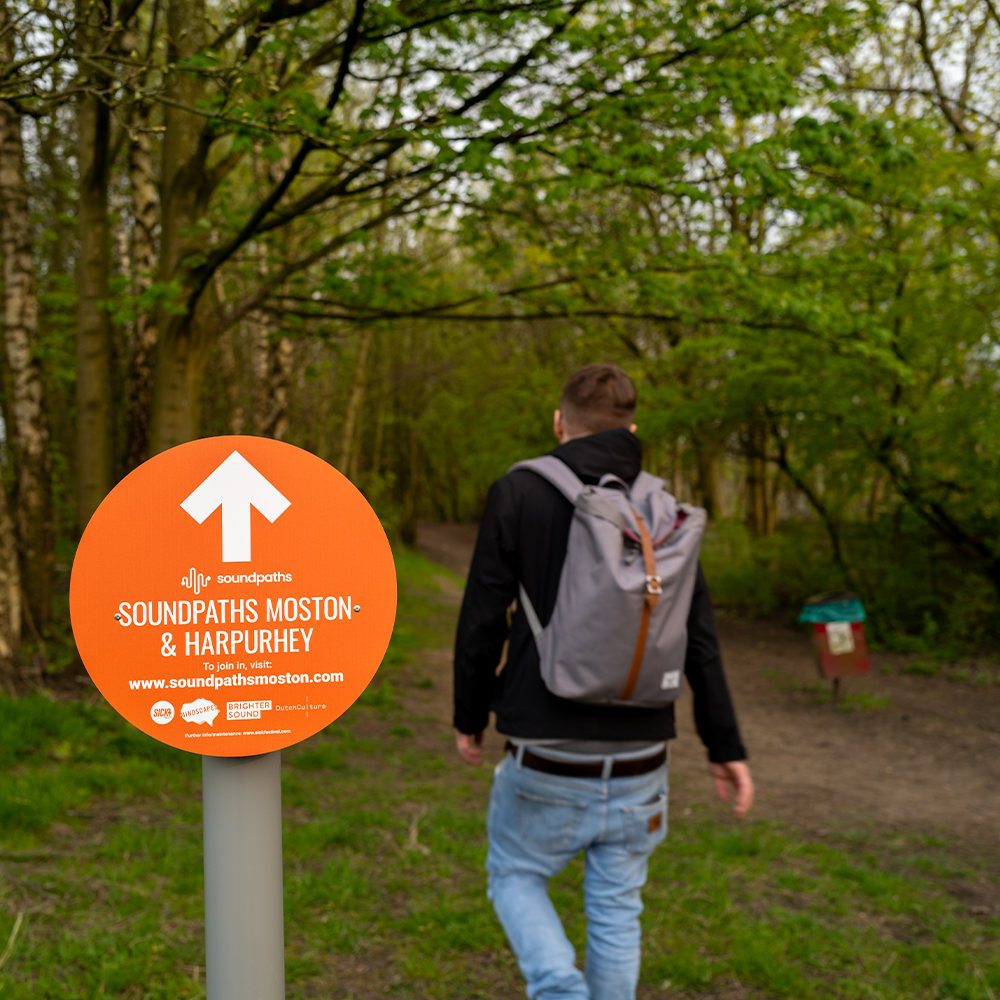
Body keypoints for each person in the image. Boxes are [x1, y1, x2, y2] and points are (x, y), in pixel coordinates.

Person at [453, 363, 754, 1000]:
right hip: (643, 756)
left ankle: (559, 987)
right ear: (632, 431)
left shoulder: (519, 491)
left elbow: (482, 618)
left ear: (558, 423)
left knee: (514, 874)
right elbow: (698, 637)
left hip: (547, 752)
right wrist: (724, 745)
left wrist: (469, 716)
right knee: (617, 907)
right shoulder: (663, 510)